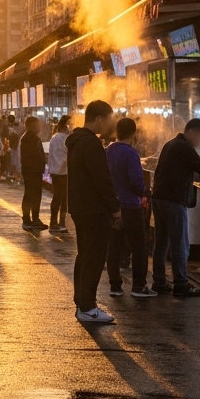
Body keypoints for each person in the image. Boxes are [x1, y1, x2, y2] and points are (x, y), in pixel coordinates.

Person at [67, 101, 121, 323]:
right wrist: (115, 207)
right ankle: (87, 306)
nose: (110, 124)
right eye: (108, 119)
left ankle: (82, 301)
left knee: (85, 255)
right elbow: (102, 179)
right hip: (94, 209)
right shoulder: (90, 143)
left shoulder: (77, 141)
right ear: (98, 118)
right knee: (95, 257)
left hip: (81, 207)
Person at [150, 118, 200, 296]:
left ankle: (159, 282)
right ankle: (181, 284)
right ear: (191, 132)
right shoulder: (183, 147)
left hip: (160, 198)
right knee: (180, 244)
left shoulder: (171, 144)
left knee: (161, 243)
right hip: (173, 200)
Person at [106, 117, 156, 298]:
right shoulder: (131, 154)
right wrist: (145, 191)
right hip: (131, 207)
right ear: (133, 134)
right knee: (139, 246)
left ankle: (115, 286)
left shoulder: (107, 151)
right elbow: (136, 181)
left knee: (114, 246)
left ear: (116, 132)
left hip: (113, 207)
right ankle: (139, 286)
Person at [20, 117, 48, 230]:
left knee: (31, 195)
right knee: (33, 195)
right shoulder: (31, 139)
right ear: (31, 126)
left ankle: (31, 219)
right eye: (37, 125)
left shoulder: (28, 138)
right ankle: (31, 219)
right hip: (32, 171)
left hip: (31, 170)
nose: (39, 127)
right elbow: (35, 156)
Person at [47, 116, 71, 233]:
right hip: (64, 172)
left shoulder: (54, 138)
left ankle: (53, 222)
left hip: (55, 172)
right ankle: (61, 223)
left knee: (56, 197)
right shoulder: (66, 139)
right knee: (64, 199)